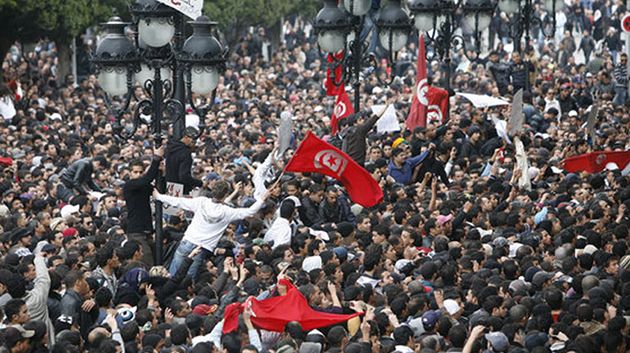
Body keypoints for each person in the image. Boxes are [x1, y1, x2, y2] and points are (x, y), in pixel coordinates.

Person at [154, 180, 271, 279]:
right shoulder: (227, 211)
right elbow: (249, 211)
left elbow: (179, 201)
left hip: (187, 242)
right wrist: (262, 199)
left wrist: (159, 196)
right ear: (225, 195)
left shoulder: (201, 202)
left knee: (173, 275)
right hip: (201, 248)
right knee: (188, 279)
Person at [123, 146, 164, 266]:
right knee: (146, 262)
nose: (138, 175)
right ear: (130, 173)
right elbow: (146, 179)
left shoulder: (144, 185)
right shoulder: (130, 185)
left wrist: (161, 173)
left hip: (147, 231)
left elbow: (159, 189)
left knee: (156, 260)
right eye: (135, 172)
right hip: (136, 232)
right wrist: (156, 159)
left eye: (141, 172)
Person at [165, 127, 203, 195]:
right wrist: (199, 183)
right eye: (193, 140)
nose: (194, 142)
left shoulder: (170, 148)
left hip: (170, 186)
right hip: (181, 190)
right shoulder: (185, 153)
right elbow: (184, 176)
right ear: (185, 137)